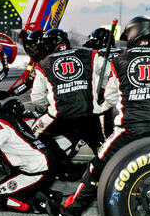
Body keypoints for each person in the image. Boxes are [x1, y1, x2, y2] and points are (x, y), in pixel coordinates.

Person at [46, 16, 150, 216]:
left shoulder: (120, 60)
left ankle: (68, 214)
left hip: (130, 129)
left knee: (97, 167)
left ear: (133, 34)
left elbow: (110, 98)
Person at [30, 28, 105, 157]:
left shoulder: (43, 64)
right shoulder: (89, 54)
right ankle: (108, 168)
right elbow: (109, 76)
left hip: (60, 116)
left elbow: (37, 99)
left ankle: (59, 163)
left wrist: (43, 108)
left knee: (32, 135)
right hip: (89, 113)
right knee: (101, 148)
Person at [83, 27, 124, 138]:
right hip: (127, 98)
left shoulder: (98, 56)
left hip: (108, 100)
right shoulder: (123, 53)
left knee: (105, 135)